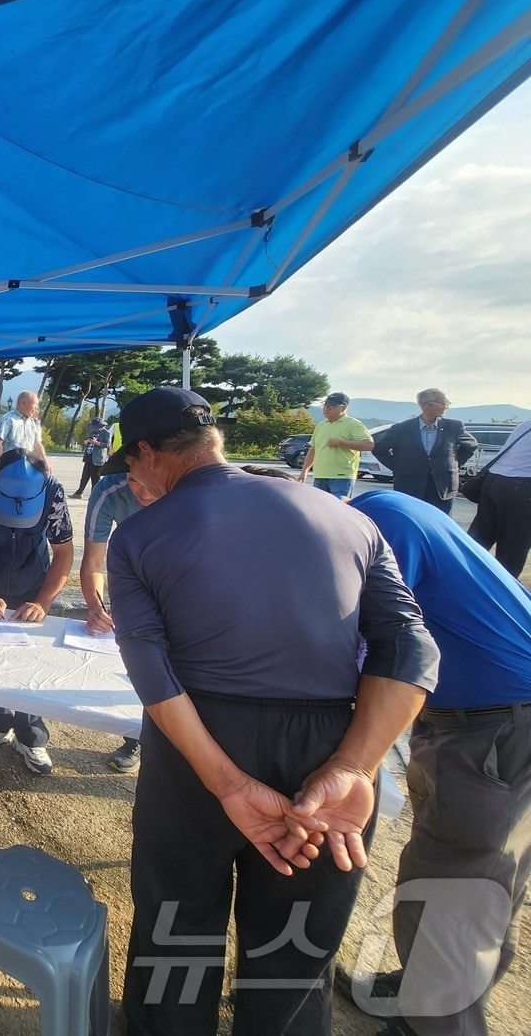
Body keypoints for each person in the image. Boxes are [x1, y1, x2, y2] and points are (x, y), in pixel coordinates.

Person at [104, 385, 439, 1036]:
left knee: (179, 924)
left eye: (132, 465)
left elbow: (152, 671)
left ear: (149, 454)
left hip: (197, 742)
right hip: (330, 738)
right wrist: (353, 765)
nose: (133, 480)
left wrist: (228, 782)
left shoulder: (141, 535)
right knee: (294, 950)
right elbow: (411, 647)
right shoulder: (346, 518)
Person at [337, 491, 531, 1036]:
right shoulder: (386, 509)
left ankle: (434, 1024)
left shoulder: (376, 526)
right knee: (483, 875)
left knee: (455, 885)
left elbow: (357, 638)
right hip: (479, 716)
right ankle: (431, 987)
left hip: (498, 726)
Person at [0, 450, 74, 775]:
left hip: (35, 586)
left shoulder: (53, 493)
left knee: (31, 668)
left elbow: (63, 553)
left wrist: (44, 602)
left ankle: (30, 736)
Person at [79, 466, 157, 773]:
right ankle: (135, 737)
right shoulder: (109, 491)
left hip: (183, 574)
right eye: (135, 481)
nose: (144, 492)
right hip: (137, 574)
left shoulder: (188, 486)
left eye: (152, 483)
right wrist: (95, 606)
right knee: (141, 662)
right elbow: (94, 562)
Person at [371, 388, 478, 513]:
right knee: (411, 521)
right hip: (410, 484)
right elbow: (380, 449)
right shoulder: (402, 428)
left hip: (442, 486)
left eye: (447, 403)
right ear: (424, 405)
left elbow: (470, 445)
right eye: (442, 403)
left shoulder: (453, 426)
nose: (445, 407)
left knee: (439, 524)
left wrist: (454, 464)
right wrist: (399, 467)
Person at [469, 417, 531, 578]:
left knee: (479, 538)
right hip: (520, 485)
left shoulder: (526, 424)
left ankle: (459, 575)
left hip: (494, 481)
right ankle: (503, 590)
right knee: (513, 546)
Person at [298, 391, 374, 500]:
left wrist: (341, 442)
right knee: (320, 509)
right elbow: (313, 450)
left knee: (338, 511)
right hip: (320, 475)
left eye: (332, 406)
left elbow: (369, 445)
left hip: (341, 477)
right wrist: (304, 472)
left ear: (344, 407)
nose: (326, 408)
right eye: (325, 405)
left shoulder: (353, 424)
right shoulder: (321, 425)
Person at [0, 391, 51, 472]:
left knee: (50, 482)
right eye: (34, 405)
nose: (36, 408)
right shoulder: (8, 420)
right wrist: (1, 466)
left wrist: (45, 464)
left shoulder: (31, 422)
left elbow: (37, 444)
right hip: (11, 465)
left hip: (28, 466)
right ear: (23, 403)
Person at [70, 415, 111, 498]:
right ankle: (79, 493)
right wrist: (86, 441)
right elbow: (86, 441)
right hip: (89, 456)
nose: (95, 429)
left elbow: (107, 444)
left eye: (97, 427)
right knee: (85, 476)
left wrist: (96, 442)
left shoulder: (106, 433)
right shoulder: (92, 432)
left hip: (98, 459)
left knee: (95, 478)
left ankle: (94, 495)